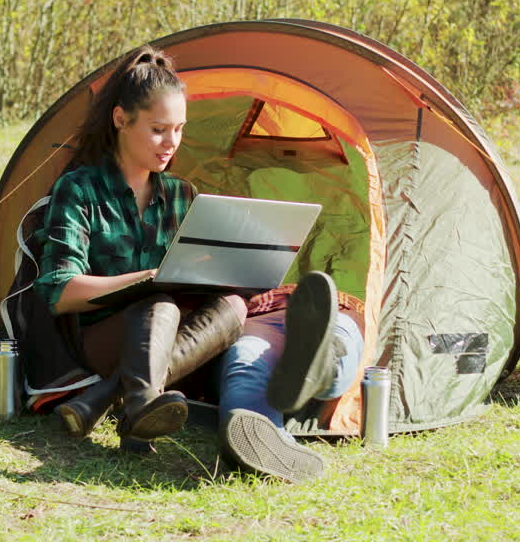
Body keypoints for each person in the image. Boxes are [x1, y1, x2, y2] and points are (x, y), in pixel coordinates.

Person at [33, 45, 247, 446]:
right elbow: (60, 292)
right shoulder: (79, 189)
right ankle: (134, 401)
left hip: (173, 337)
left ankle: (114, 400)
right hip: (102, 338)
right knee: (158, 303)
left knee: (234, 305)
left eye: (179, 129)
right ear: (121, 119)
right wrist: (146, 279)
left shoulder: (182, 194)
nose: (171, 142)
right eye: (158, 129)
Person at [217, 270, 366, 483]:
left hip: (333, 310)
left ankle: (319, 359)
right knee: (245, 358)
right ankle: (260, 439)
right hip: (260, 315)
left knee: (336, 337)